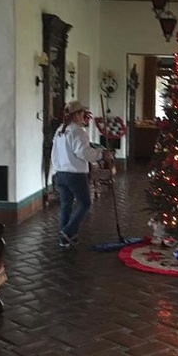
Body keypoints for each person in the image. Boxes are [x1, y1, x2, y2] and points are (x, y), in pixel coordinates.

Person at [51, 100, 114, 248]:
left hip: (61, 173)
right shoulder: (78, 131)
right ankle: (67, 231)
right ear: (77, 115)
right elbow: (84, 153)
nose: (84, 116)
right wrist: (102, 155)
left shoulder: (60, 130)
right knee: (85, 203)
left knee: (66, 206)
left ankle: (65, 239)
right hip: (75, 174)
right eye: (83, 114)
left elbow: (56, 152)